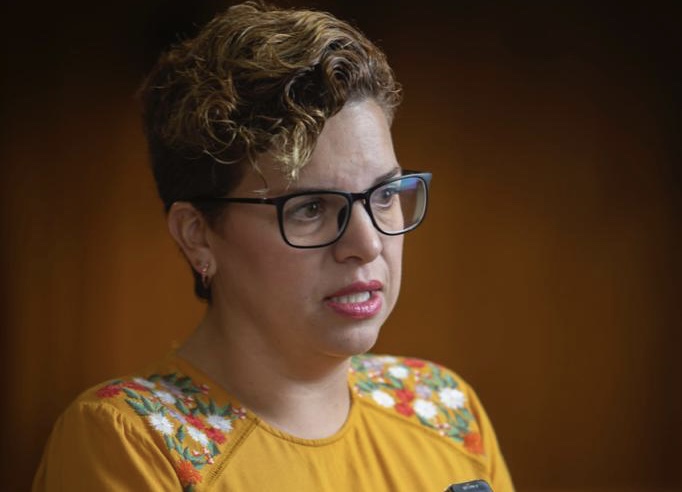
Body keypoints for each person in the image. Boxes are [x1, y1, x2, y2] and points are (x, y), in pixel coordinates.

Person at [33, 1, 514, 490]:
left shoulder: (445, 409)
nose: (367, 244)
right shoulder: (129, 440)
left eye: (384, 195)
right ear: (197, 234)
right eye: (310, 208)